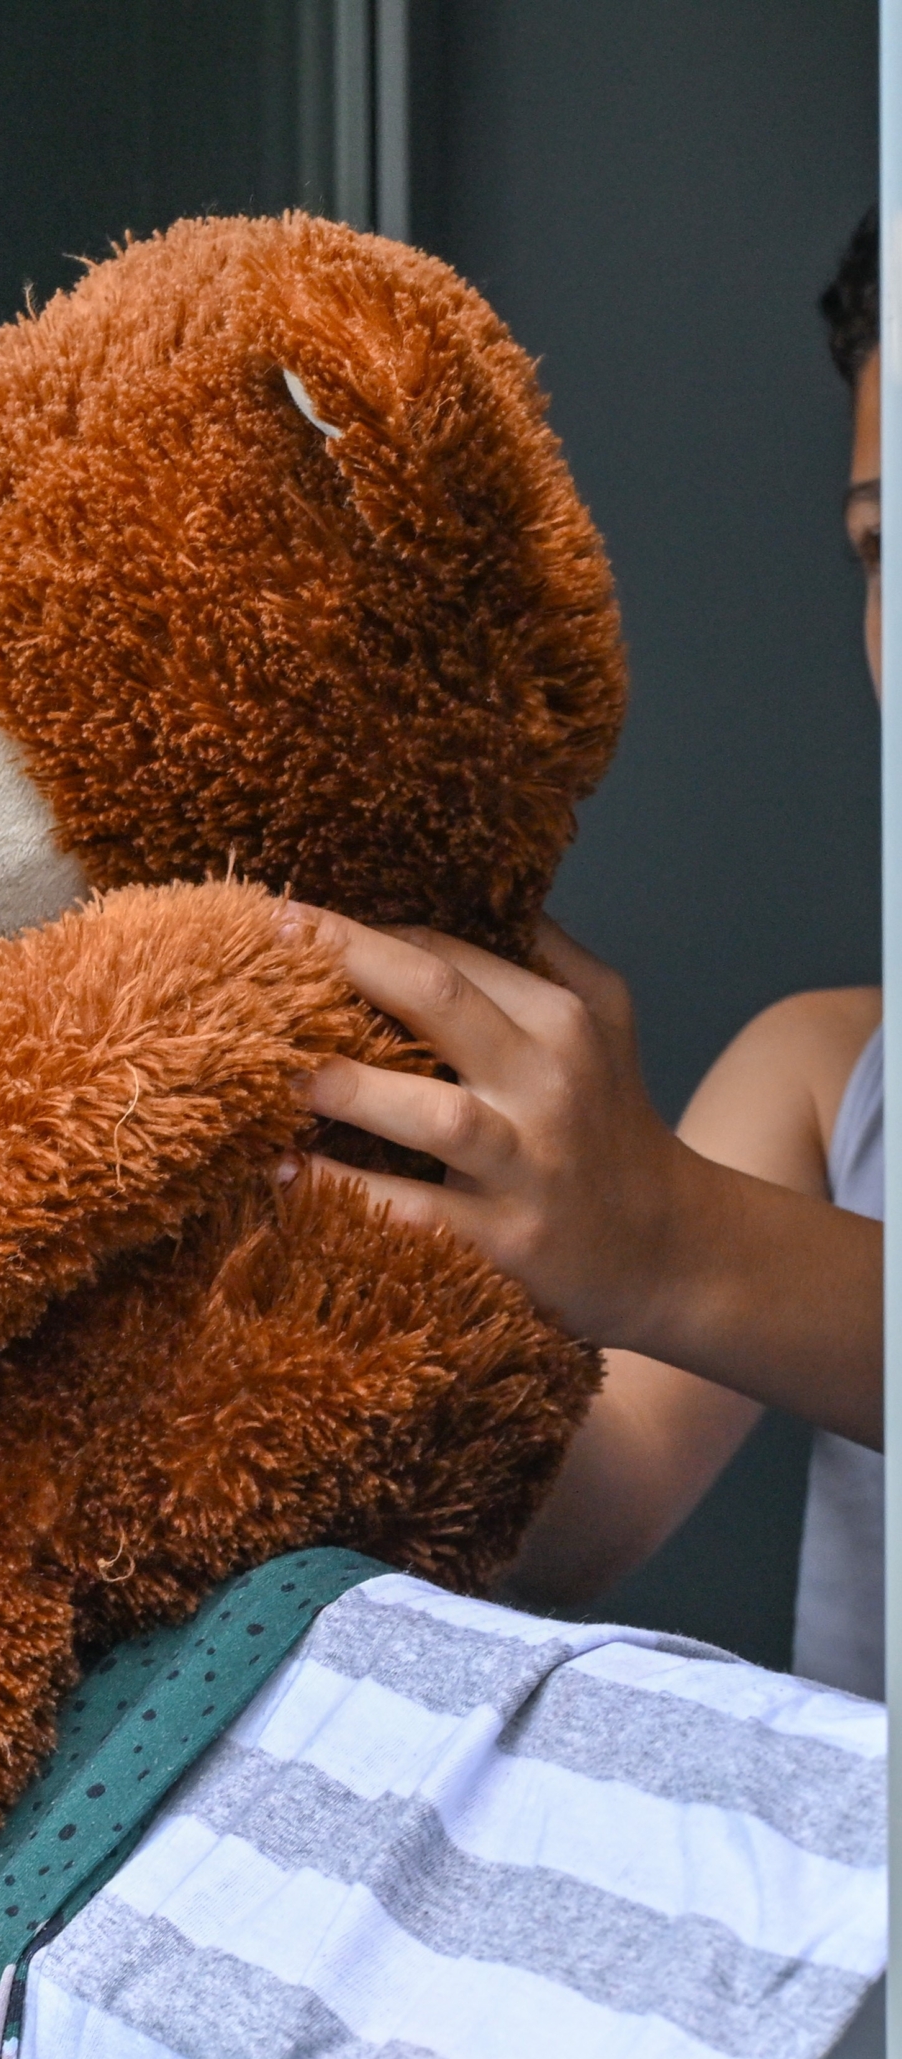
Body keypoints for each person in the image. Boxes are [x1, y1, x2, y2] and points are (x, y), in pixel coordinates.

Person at [299, 212, 886, 1695]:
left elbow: (663, 1251)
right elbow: (586, 1510)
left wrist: (668, 1240)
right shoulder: (827, 1074)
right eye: (886, 545)